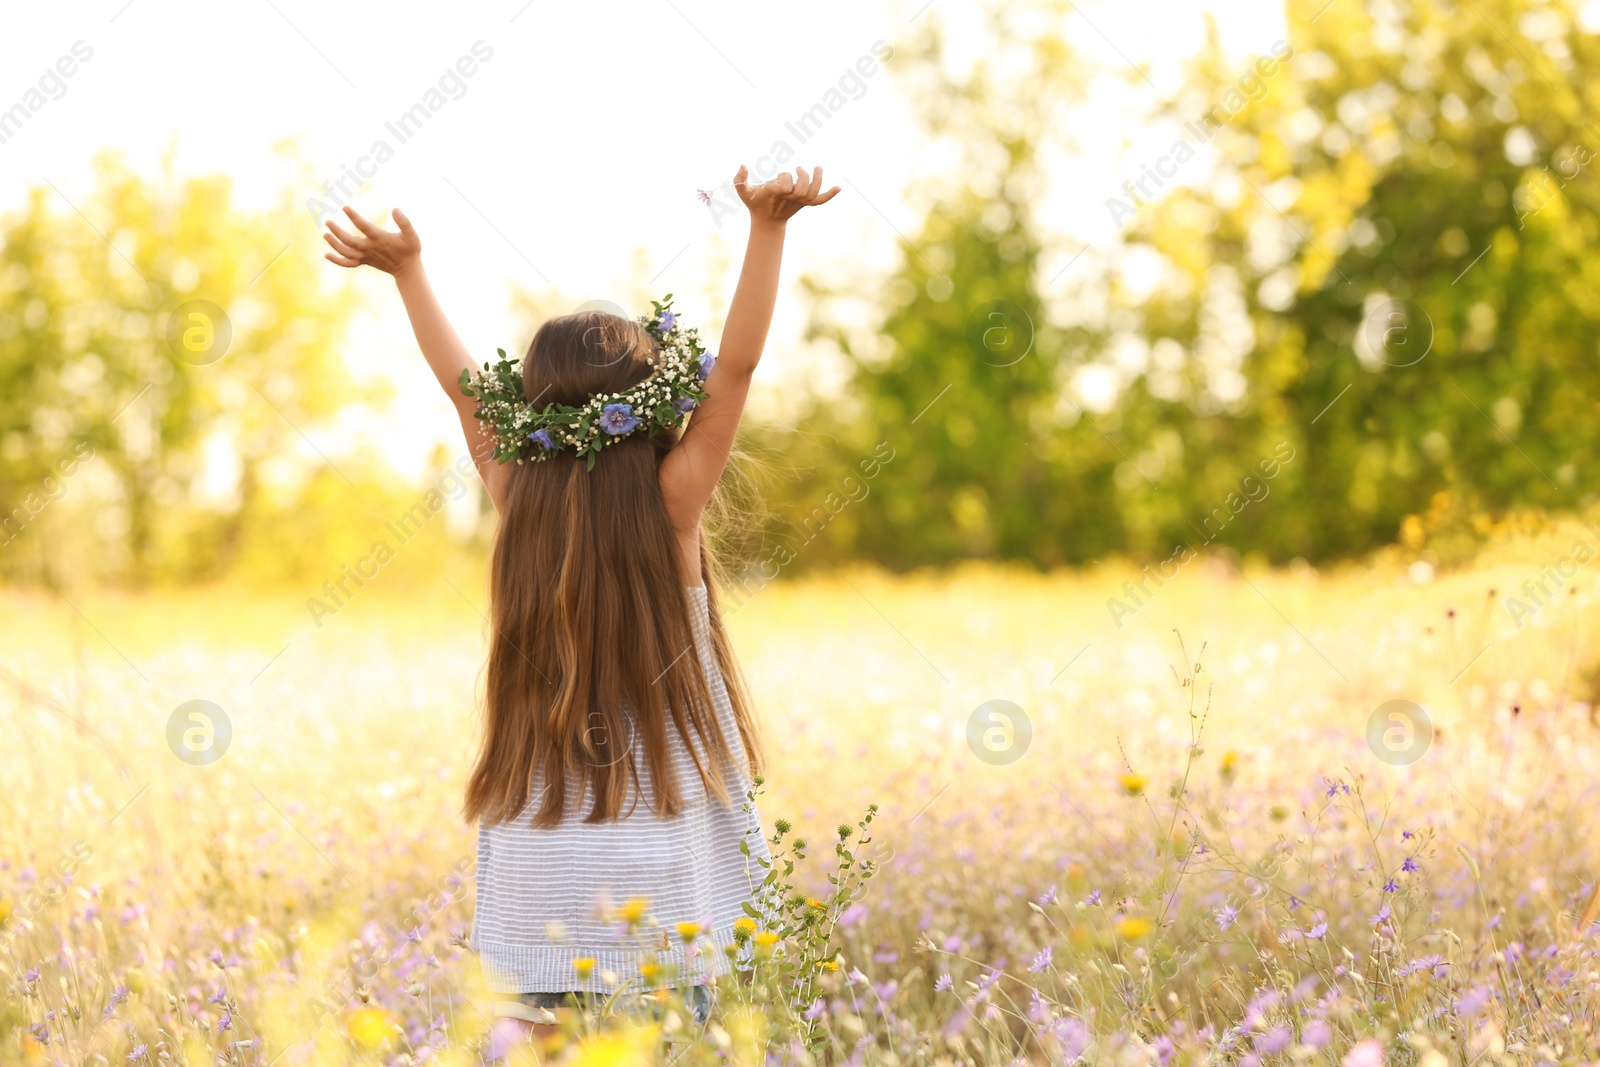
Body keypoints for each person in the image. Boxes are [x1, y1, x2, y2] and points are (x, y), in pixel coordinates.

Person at [321, 165, 840, 1051]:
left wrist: (410, 273)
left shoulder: (518, 495)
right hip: (658, 888)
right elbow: (741, 367)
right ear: (653, 402)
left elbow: (460, 387)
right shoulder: (671, 506)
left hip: (541, 880)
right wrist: (767, 229)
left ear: (531, 404)